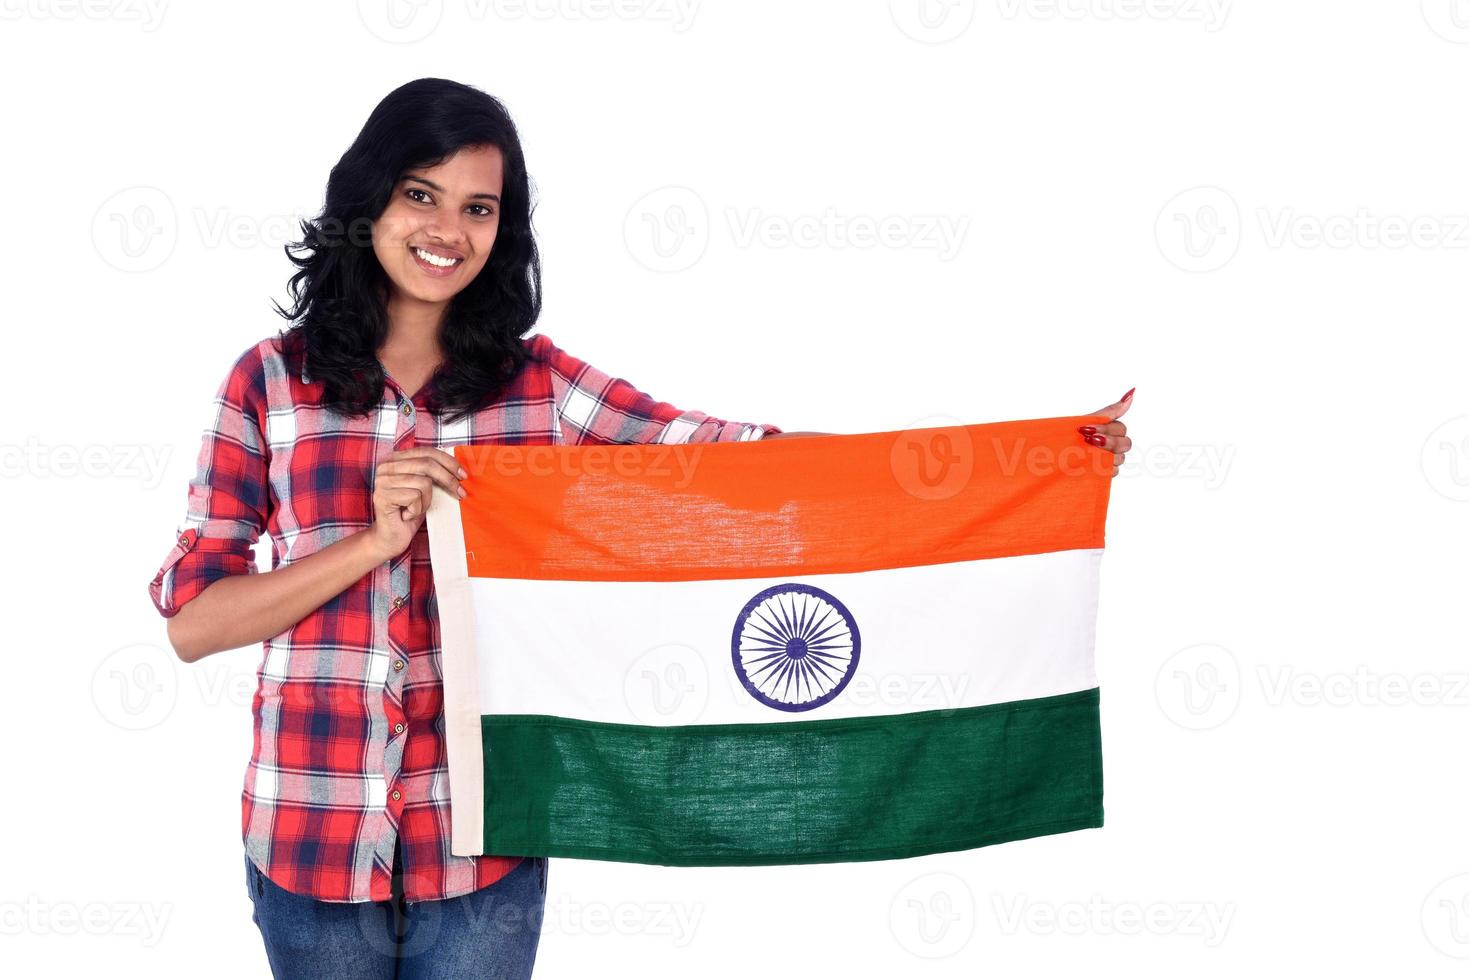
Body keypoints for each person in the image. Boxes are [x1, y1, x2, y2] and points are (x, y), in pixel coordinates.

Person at [147, 77, 1131, 979]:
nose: (448, 228)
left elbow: (734, 459)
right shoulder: (271, 382)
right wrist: (366, 542)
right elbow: (194, 621)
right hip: (307, 838)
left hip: (481, 853)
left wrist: (1028, 461)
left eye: (478, 207)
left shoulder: (540, 388)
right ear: (369, 200)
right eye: (420, 193)